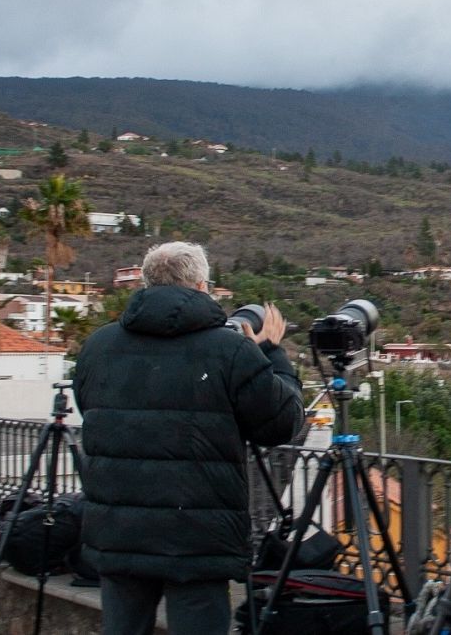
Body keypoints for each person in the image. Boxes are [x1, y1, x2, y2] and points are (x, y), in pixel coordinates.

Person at [74, 242, 304, 635]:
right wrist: (271, 352)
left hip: (119, 532)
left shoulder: (98, 346)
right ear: (201, 286)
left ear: (146, 283)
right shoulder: (230, 350)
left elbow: (88, 408)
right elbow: (282, 424)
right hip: (197, 538)